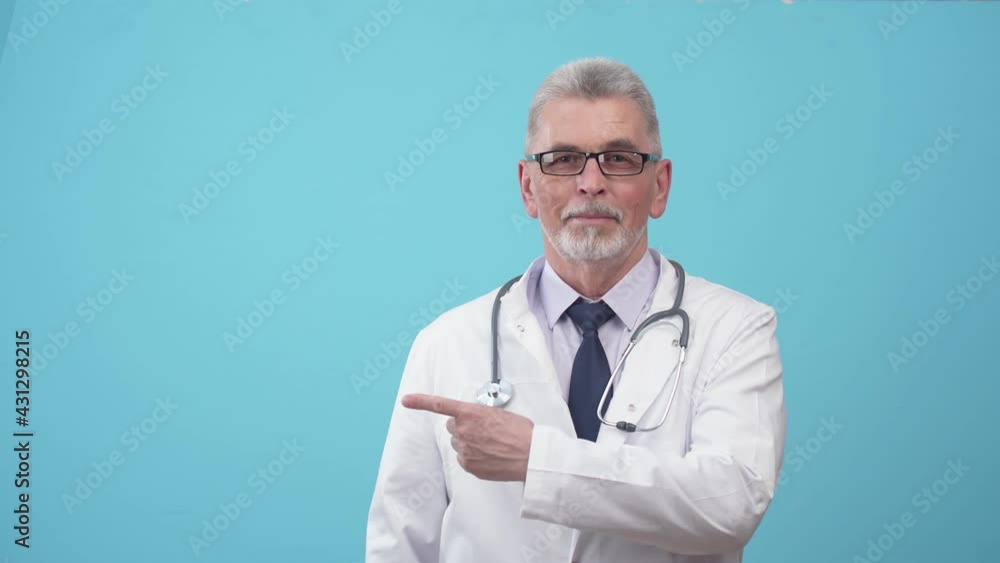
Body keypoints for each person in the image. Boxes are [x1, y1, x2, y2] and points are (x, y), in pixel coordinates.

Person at [366, 57, 786, 563]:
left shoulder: (735, 328)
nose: (590, 182)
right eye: (563, 160)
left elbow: (731, 505)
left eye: (620, 158)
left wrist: (538, 461)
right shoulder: (447, 343)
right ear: (527, 187)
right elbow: (401, 544)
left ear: (660, 186)